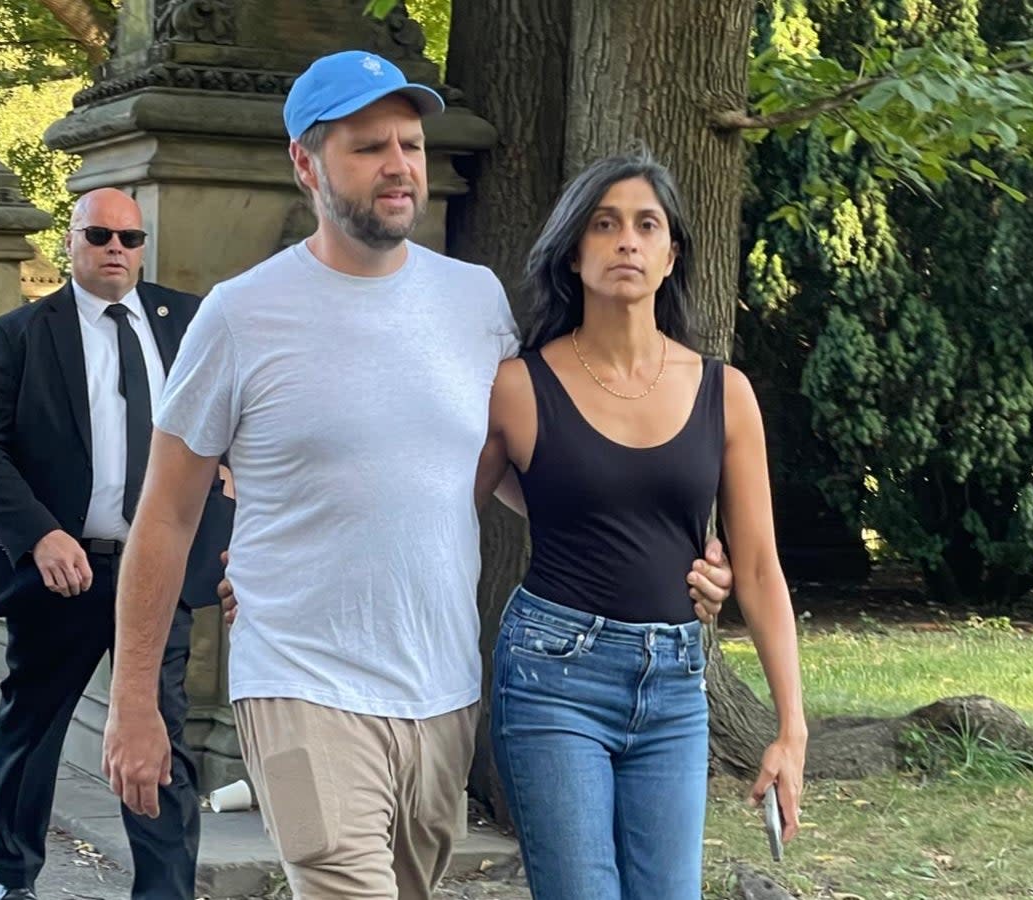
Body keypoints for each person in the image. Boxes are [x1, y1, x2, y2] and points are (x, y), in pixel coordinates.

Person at [99, 50, 732, 900]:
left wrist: (678, 554)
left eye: (411, 143)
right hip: (302, 678)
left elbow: (533, 476)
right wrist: (133, 701)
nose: (400, 164)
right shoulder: (240, 315)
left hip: (440, 689)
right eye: (368, 147)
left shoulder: (474, 302)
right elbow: (166, 517)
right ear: (305, 162)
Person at [475, 150, 808, 900]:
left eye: (645, 225)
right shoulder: (519, 388)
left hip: (676, 687)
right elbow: (433, 514)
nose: (626, 240)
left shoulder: (726, 393)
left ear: (670, 256)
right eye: (604, 224)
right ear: (573, 252)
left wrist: (791, 728)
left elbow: (757, 569)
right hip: (552, 679)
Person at [0, 188, 232, 900]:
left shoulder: (191, 322)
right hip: (66, 573)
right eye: (100, 235)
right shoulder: (20, 334)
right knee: (33, 727)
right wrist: (40, 535)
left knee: (163, 737)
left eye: (131, 237)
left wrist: (238, 483)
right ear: (71, 242)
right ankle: (14, 879)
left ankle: (164, 892)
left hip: (162, 571)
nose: (117, 248)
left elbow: (234, 415)